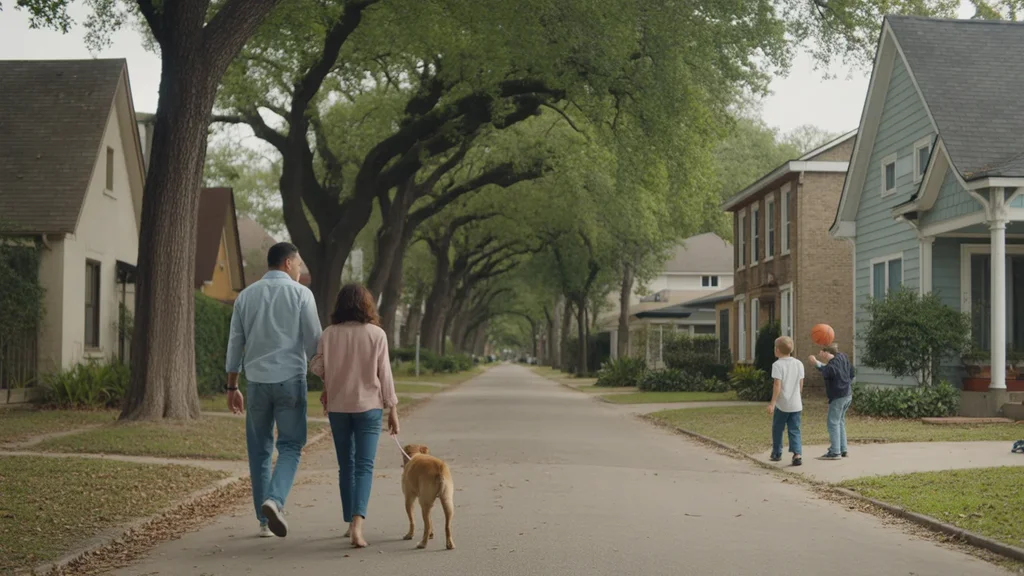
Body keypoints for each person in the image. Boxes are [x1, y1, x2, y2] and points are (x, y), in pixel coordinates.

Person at [225, 242, 322, 539]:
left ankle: (263, 522)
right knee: (291, 445)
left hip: (256, 384)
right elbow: (314, 343)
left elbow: (235, 343)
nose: (300, 269)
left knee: (259, 449)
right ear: (288, 263)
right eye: (299, 264)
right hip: (291, 380)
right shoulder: (301, 294)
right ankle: (274, 500)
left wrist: (232, 386)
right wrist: (327, 379)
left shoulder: (246, 296)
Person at [310, 283, 400, 548]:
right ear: (366, 305)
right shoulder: (376, 335)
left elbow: (317, 365)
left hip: (338, 407)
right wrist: (392, 408)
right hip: (369, 407)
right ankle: (357, 525)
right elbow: (385, 374)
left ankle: (350, 520)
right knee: (364, 465)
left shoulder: (329, 334)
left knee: (346, 466)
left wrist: (330, 368)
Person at [809, 343, 854, 460]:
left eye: (820, 351)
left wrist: (815, 363)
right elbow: (852, 373)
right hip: (848, 394)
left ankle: (835, 452)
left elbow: (827, 371)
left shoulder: (831, 366)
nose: (819, 353)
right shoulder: (843, 357)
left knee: (833, 423)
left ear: (826, 352)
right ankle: (843, 449)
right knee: (840, 421)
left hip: (838, 397)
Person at [767, 336, 804, 466]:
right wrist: (798, 394)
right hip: (796, 404)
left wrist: (772, 403)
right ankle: (797, 454)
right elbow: (800, 382)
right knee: (794, 429)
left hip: (782, 405)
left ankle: (777, 453)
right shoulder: (799, 363)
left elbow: (777, 384)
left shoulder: (777, 365)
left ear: (777, 350)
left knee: (778, 429)